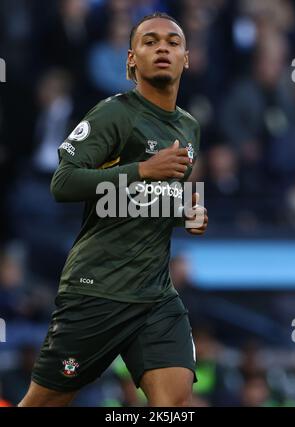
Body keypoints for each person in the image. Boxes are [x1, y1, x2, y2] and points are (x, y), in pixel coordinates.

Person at [19, 12, 208, 407]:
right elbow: (63, 182)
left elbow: (151, 201)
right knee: (45, 403)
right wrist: (142, 169)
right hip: (98, 290)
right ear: (131, 60)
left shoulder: (189, 128)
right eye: (150, 41)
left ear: (186, 58)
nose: (162, 48)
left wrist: (187, 213)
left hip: (156, 295)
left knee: (174, 404)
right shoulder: (113, 114)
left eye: (172, 43)